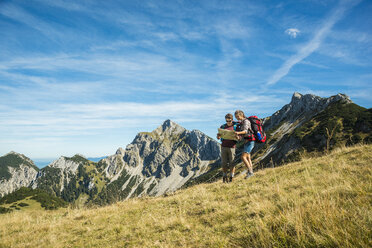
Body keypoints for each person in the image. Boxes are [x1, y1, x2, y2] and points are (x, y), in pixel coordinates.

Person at [217, 113, 238, 183]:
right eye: (227, 121)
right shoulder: (222, 126)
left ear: (232, 120)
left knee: (232, 163)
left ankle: (231, 177)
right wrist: (218, 136)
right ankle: (224, 176)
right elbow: (218, 138)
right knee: (224, 163)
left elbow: (239, 137)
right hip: (224, 146)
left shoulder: (235, 127)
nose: (228, 122)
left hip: (232, 147)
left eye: (229, 121)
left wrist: (237, 137)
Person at [234, 110, 255, 179]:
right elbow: (244, 133)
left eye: (238, 116)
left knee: (243, 157)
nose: (237, 118)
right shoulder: (242, 123)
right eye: (236, 117)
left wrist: (238, 133)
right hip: (247, 141)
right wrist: (239, 137)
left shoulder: (246, 121)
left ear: (242, 115)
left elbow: (245, 131)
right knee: (248, 157)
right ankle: (251, 171)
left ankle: (250, 172)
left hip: (250, 141)